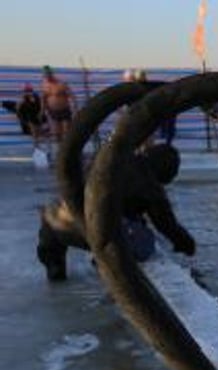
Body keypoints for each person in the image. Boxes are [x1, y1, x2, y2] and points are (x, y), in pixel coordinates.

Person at [36, 143, 196, 281]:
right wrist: (187, 244)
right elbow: (167, 226)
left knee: (57, 226)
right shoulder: (151, 187)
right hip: (92, 227)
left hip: (55, 218)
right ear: (166, 170)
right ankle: (106, 259)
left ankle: (54, 265)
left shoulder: (115, 160)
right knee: (145, 244)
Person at [41, 65, 75, 146]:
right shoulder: (45, 85)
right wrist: (42, 110)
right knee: (57, 133)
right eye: (45, 75)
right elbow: (44, 97)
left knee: (67, 131)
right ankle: (60, 150)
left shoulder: (61, 84)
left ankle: (67, 148)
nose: (47, 76)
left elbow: (72, 96)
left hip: (64, 110)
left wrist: (74, 107)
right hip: (53, 111)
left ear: (52, 74)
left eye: (48, 74)